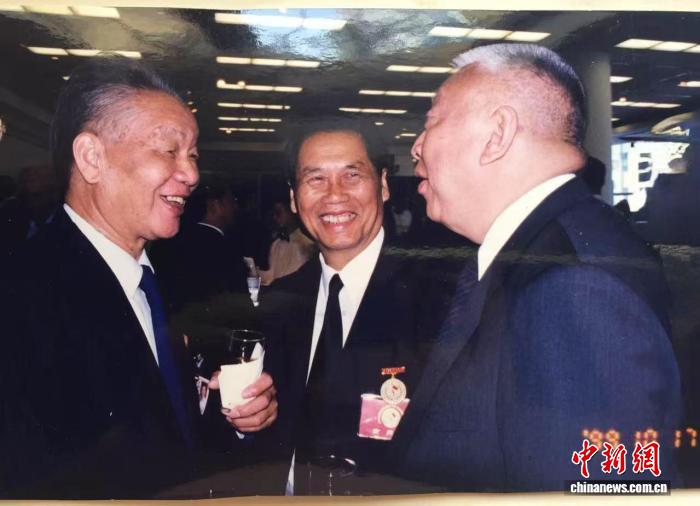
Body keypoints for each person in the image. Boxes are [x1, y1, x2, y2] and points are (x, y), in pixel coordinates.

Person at [392, 43, 683, 491]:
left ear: (497, 134)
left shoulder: (574, 288)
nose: (416, 146)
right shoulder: (541, 253)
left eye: (432, 121)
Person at [0, 57, 277, 499]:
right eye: (169, 150)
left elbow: (167, 426)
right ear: (91, 158)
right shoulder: (21, 295)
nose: (191, 175)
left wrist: (231, 415)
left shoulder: (167, 278)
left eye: (193, 155)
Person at [260, 120, 450, 495]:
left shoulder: (436, 297)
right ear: (294, 198)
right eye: (316, 179)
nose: (335, 195)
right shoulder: (281, 300)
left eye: (352, 175)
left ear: (383, 185)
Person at [150, 178, 249, 312]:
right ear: (215, 205)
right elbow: (239, 302)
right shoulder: (226, 250)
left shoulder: (167, 242)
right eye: (232, 201)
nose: (235, 207)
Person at [259, 198, 316, 286]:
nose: (275, 217)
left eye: (278, 213)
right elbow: (272, 276)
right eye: (274, 214)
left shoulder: (307, 244)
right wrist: (255, 273)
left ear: (292, 212)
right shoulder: (276, 244)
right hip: (278, 292)